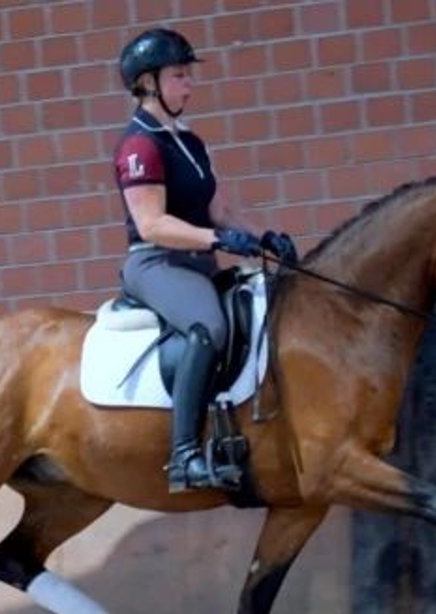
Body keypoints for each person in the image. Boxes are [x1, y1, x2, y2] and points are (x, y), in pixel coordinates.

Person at [112, 27, 298, 493]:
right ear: (148, 83)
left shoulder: (190, 141)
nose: (189, 85)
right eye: (179, 76)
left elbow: (224, 211)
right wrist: (217, 238)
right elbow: (152, 224)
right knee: (207, 326)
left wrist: (266, 236)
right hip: (157, 264)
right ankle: (184, 457)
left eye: (187, 77)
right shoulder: (139, 146)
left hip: (196, 262)